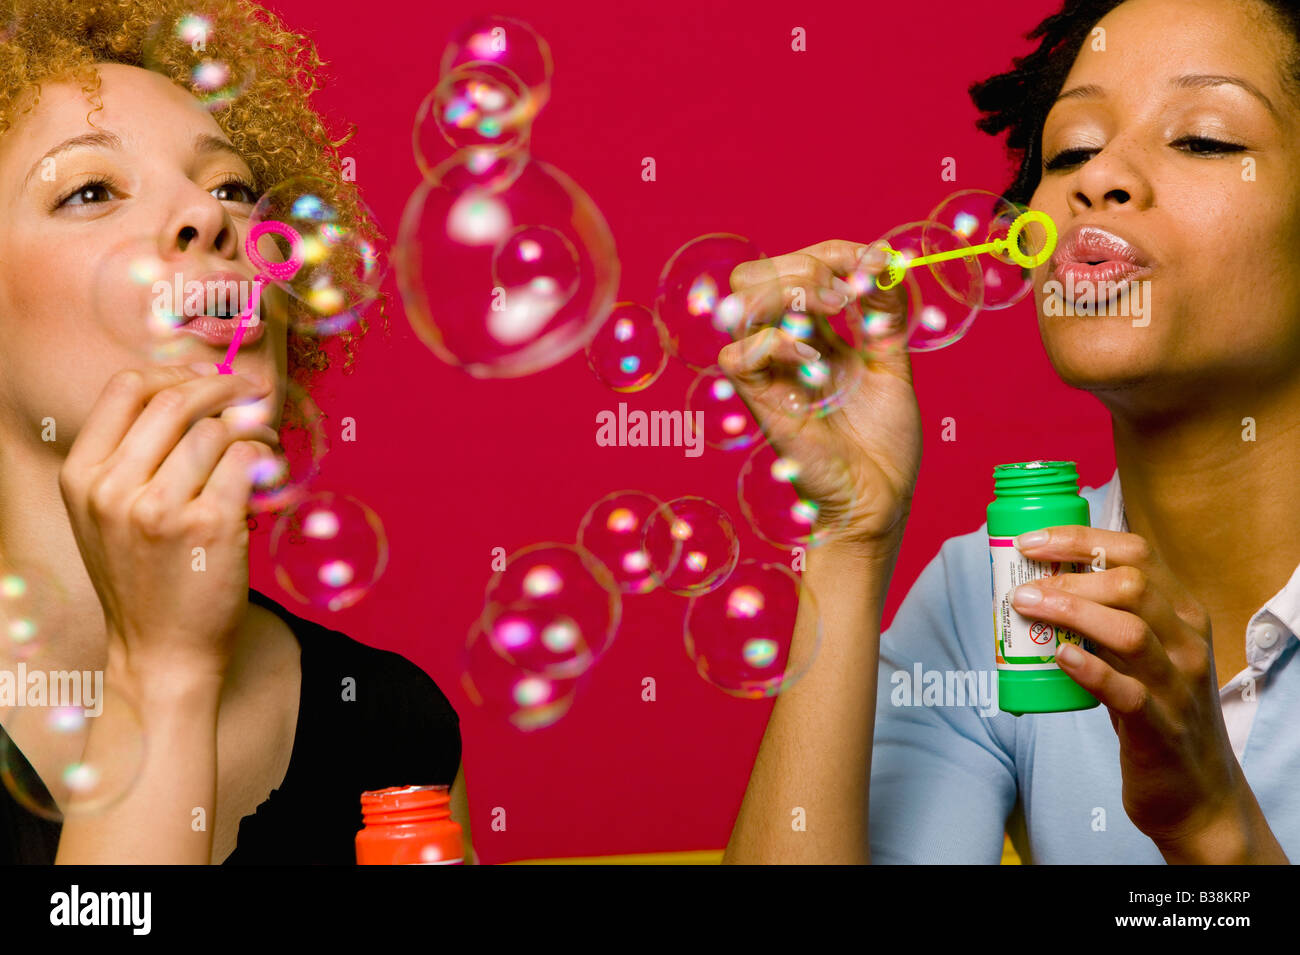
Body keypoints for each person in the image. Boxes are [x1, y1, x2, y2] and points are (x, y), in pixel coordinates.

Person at [723, 0, 1299, 863]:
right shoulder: (1003, 590)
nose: (1097, 179)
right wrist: (848, 538)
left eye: (1203, 138)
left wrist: (1213, 826)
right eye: (1070, 149)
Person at [0, 0, 472, 864]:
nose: (213, 220)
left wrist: (814, 537)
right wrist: (162, 669)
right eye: (90, 190)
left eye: (230, 187)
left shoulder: (388, 723)